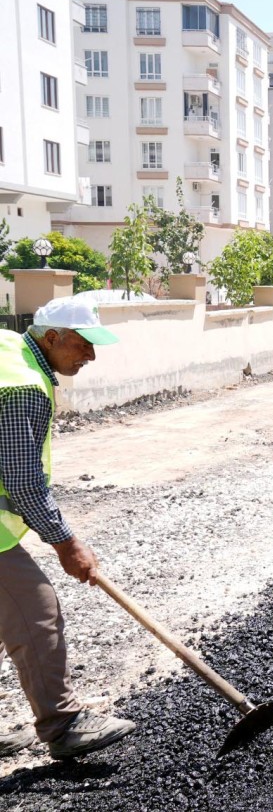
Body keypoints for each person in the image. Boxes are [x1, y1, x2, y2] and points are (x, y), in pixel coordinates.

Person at [0, 297, 136, 759]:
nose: (91, 356)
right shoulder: (22, 386)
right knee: (36, 612)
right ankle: (63, 725)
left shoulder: (6, 348)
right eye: (83, 345)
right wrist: (65, 542)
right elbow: (21, 479)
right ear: (52, 337)